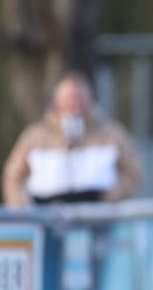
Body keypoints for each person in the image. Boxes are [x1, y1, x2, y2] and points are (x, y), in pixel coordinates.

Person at [3, 72, 142, 208]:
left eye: (80, 98)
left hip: (99, 220)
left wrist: (110, 200)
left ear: (90, 99)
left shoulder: (112, 135)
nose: (74, 103)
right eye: (69, 98)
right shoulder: (34, 137)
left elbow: (132, 171)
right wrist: (22, 209)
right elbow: (13, 176)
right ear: (56, 100)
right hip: (45, 217)